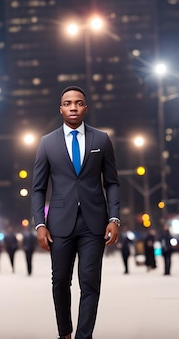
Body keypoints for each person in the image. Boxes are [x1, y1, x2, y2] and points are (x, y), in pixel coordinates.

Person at [31, 85, 121, 339]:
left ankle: (84, 336)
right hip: (59, 223)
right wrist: (39, 224)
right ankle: (65, 333)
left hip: (94, 223)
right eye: (68, 103)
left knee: (90, 282)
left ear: (85, 108)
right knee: (60, 281)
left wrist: (114, 218)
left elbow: (112, 182)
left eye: (79, 103)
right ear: (60, 109)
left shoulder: (101, 139)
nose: (73, 107)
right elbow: (37, 188)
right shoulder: (46, 143)